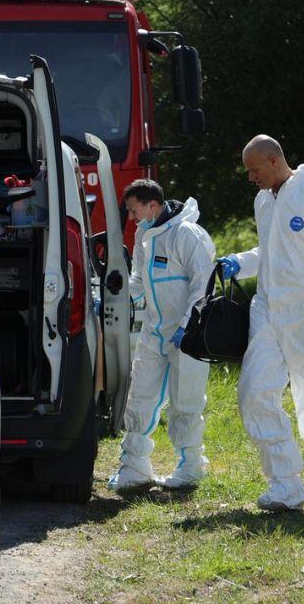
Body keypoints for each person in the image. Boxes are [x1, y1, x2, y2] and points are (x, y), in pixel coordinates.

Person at [217, 135, 304, 513]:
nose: (250, 177)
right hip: (267, 312)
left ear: (273, 160)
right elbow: (271, 250)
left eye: (254, 169)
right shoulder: (263, 200)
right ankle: (285, 484)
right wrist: (241, 262)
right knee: (254, 393)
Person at [108, 179, 216, 492]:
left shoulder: (187, 234)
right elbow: (140, 280)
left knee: (186, 403)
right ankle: (134, 468)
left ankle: (192, 466)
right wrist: (118, 297)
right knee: (139, 399)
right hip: (154, 333)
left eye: (133, 210)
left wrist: (187, 325)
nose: (131, 218)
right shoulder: (145, 234)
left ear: (151, 205)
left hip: (187, 335)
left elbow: (203, 283)